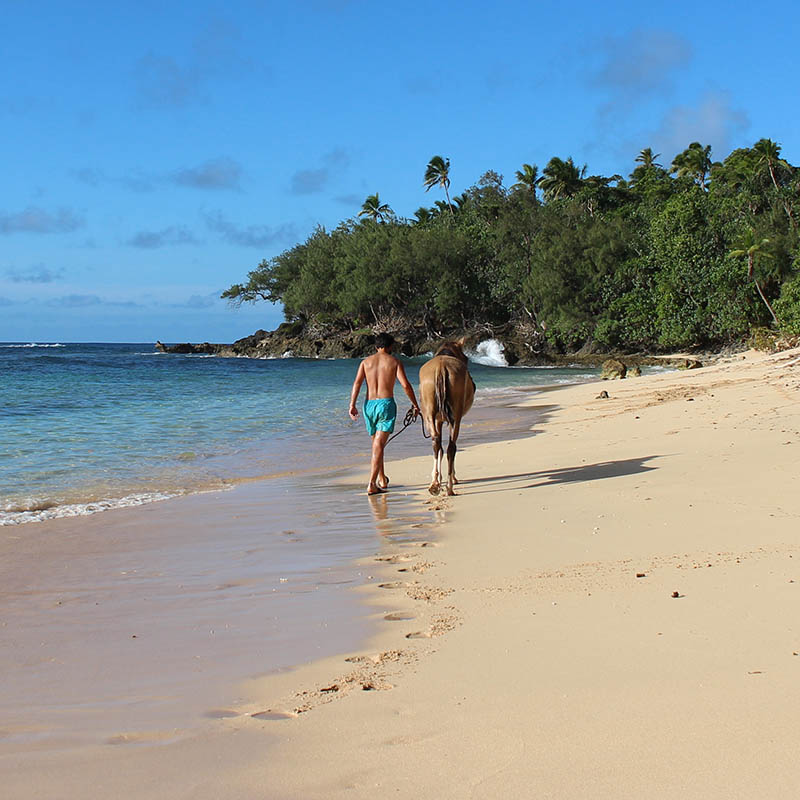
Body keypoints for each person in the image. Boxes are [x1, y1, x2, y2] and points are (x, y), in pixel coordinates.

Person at [349, 333, 420, 495]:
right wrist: (415, 404)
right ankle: (372, 483)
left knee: (376, 444)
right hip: (385, 404)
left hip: (369, 406)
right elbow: (405, 385)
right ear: (390, 347)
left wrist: (352, 404)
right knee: (379, 445)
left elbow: (357, 383)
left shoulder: (365, 363)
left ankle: (382, 479)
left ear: (376, 346)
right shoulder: (394, 362)